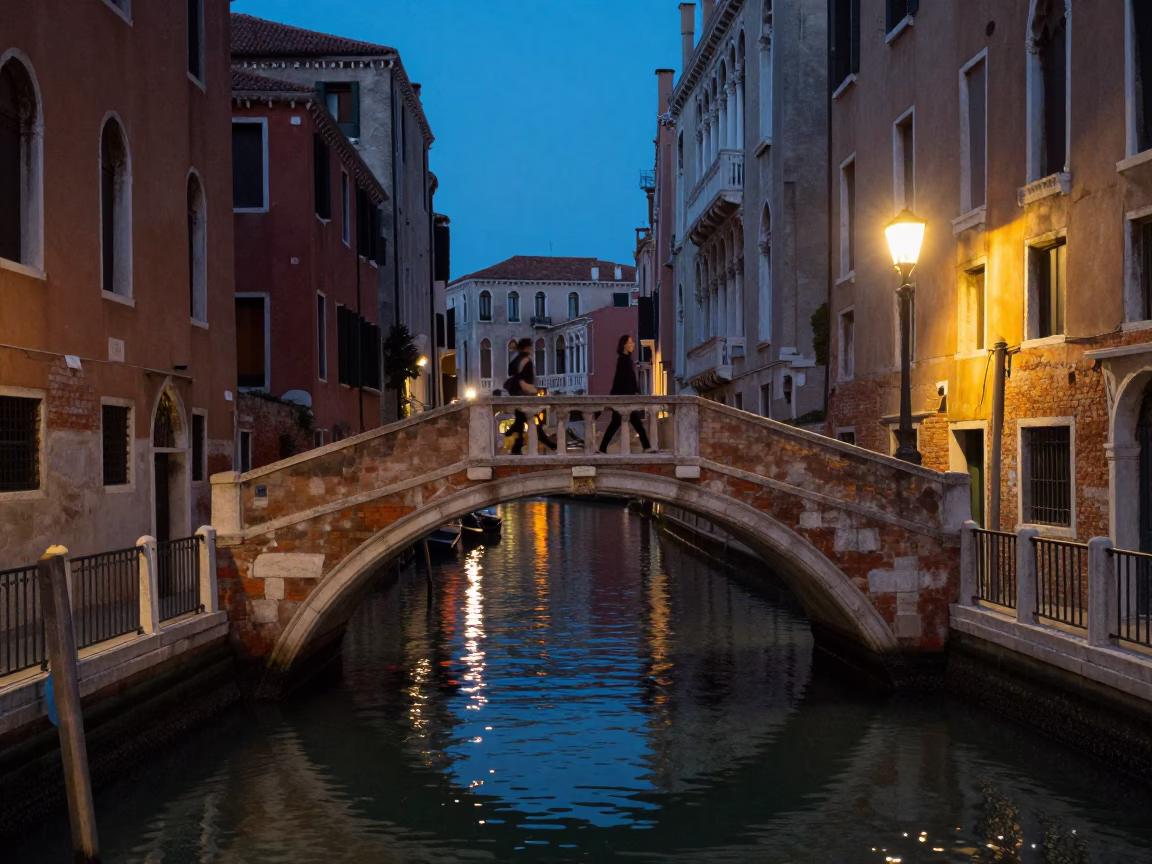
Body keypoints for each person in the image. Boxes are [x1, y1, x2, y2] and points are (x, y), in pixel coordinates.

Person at [598, 334, 652, 454]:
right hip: (624, 398)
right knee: (632, 424)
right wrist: (633, 393)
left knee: (619, 423)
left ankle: (602, 448)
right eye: (630, 343)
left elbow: (624, 380)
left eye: (632, 343)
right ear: (624, 345)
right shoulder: (623, 360)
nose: (633, 345)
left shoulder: (626, 360)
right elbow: (623, 380)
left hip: (623, 397)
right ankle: (647, 447)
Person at [503, 338, 556, 455]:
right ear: (527, 348)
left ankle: (516, 445)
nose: (532, 349)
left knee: (522, 420)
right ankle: (546, 442)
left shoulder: (515, 360)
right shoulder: (527, 361)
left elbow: (512, 374)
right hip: (524, 396)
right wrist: (536, 390)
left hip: (515, 395)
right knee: (529, 419)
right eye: (530, 347)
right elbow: (524, 382)